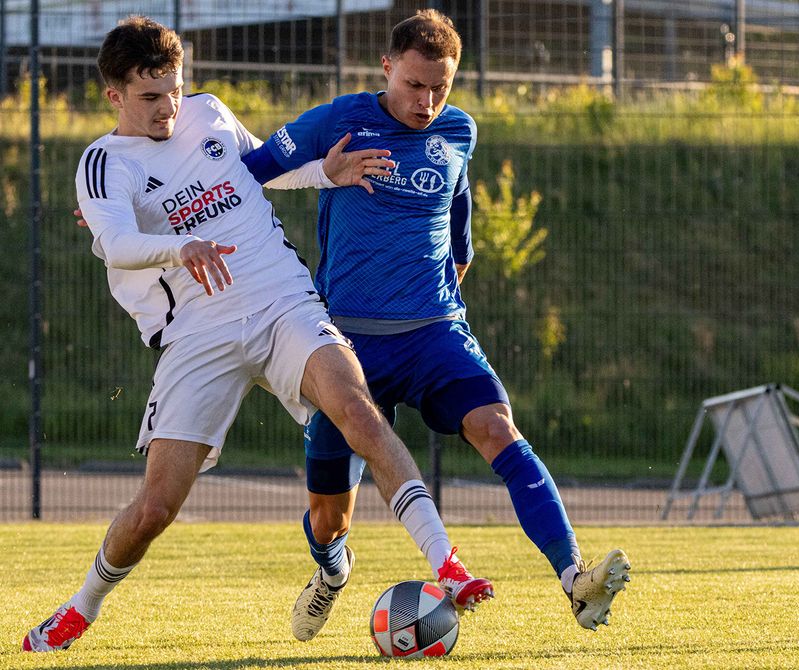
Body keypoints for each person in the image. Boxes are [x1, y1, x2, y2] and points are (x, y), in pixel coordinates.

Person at [23, 16, 492, 654]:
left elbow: (257, 172)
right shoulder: (103, 163)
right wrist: (178, 247)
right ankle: (82, 607)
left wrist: (327, 173)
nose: (169, 109)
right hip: (197, 331)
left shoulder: (208, 113)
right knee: (156, 508)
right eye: (150, 97)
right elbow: (113, 243)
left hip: (280, 299)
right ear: (114, 96)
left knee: (358, 406)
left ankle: (448, 564)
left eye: (175, 91)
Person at [240, 9, 631, 642]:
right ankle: (332, 573)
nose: (425, 102)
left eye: (439, 88)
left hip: (435, 333)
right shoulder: (340, 120)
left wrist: (444, 279)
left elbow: (459, 217)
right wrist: (323, 172)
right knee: (329, 518)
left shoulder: (459, 131)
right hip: (344, 345)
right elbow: (248, 173)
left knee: (498, 428)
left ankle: (574, 579)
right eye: (414, 85)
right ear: (387, 68)